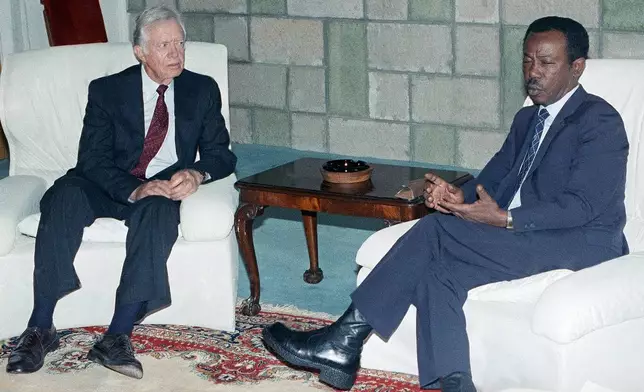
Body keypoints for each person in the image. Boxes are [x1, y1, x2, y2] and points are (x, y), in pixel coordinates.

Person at [262, 16, 629, 392]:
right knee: (440, 271)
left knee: (437, 232)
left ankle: (343, 340)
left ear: (576, 67)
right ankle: (454, 384)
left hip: (582, 241)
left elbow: (583, 206)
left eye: (546, 63)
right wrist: (460, 198)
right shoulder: (526, 119)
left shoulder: (599, 120)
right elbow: (493, 178)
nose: (533, 72)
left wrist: (505, 219)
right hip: (524, 235)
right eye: (527, 60)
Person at [5, 6, 236, 379]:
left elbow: (221, 154)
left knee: (159, 210)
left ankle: (116, 336)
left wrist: (197, 172)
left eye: (180, 44)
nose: (176, 54)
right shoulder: (107, 90)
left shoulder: (201, 88)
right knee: (63, 196)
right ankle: (40, 327)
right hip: (105, 182)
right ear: (140, 51)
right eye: (164, 46)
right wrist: (134, 188)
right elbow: (91, 160)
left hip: (160, 185)